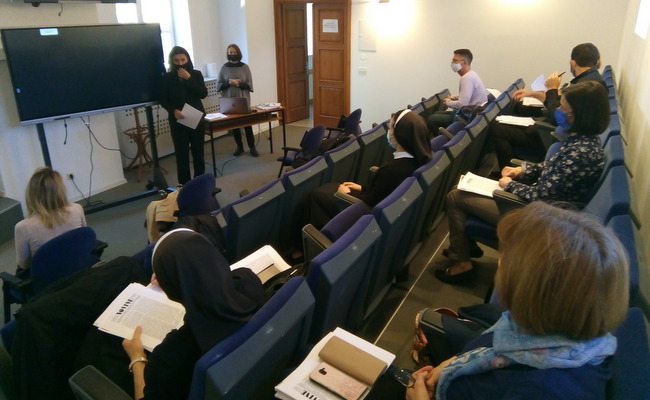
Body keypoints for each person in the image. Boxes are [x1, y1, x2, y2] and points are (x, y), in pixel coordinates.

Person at [406, 201, 629, 400]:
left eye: (507, 257)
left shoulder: (542, 390)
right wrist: (454, 362)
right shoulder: (551, 330)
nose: (500, 262)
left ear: (532, 290)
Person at [436, 80, 610, 284]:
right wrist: (523, 169)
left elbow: (542, 196)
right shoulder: (584, 142)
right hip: (543, 208)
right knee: (462, 188)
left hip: (540, 217)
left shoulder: (580, 153)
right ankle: (465, 247)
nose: (558, 112)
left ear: (580, 115)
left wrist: (509, 185)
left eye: (564, 109)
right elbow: (553, 168)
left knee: (456, 196)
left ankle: (461, 265)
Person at [122, 229, 265, 399]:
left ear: (170, 290)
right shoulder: (248, 281)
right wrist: (184, 275)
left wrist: (137, 358)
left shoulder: (170, 356)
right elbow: (206, 270)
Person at [298, 109, 432, 232]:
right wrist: (362, 188)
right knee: (328, 188)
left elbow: (371, 204)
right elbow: (383, 192)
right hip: (372, 203)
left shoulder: (392, 170)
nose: (389, 132)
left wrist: (346, 194)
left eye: (391, 128)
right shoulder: (419, 159)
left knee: (316, 196)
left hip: (362, 213)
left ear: (400, 135)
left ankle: (313, 240)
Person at [489, 43, 606, 170]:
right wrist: (534, 94)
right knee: (518, 109)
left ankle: (507, 171)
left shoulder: (586, 86)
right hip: (562, 133)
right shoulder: (593, 81)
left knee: (498, 128)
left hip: (555, 134)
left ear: (572, 63)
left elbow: (557, 116)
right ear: (597, 62)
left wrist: (552, 89)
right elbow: (561, 107)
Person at [14, 167, 87, 272]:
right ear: (61, 190)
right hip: (80, 268)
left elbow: (24, 265)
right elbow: (84, 239)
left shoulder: (23, 227)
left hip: (48, 279)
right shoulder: (77, 209)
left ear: (31, 194)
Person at [160, 46, 208, 185]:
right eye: (176, 60)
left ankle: (200, 183)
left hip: (195, 118)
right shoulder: (167, 77)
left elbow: (202, 94)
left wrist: (189, 79)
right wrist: (173, 110)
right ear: (172, 61)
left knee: (198, 152)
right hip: (177, 120)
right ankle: (184, 185)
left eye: (183, 59)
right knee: (181, 154)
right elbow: (163, 99)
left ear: (188, 59)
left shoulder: (196, 74)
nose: (180, 63)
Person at [427, 49, 488, 135]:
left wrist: (448, 102)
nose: (452, 63)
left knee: (431, 119)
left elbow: (462, 104)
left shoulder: (466, 78)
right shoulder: (471, 74)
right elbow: (467, 95)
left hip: (468, 116)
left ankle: (442, 141)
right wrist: (454, 97)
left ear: (464, 62)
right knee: (436, 113)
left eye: (455, 61)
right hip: (472, 111)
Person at [216, 43, 258, 157]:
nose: (232, 54)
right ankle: (239, 146)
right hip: (230, 101)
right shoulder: (223, 68)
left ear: (238, 53)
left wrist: (238, 84)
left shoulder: (245, 67)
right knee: (235, 125)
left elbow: (249, 85)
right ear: (227, 54)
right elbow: (218, 86)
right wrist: (229, 82)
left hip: (243, 100)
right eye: (230, 52)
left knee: (247, 124)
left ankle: (252, 146)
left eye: (234, 52)